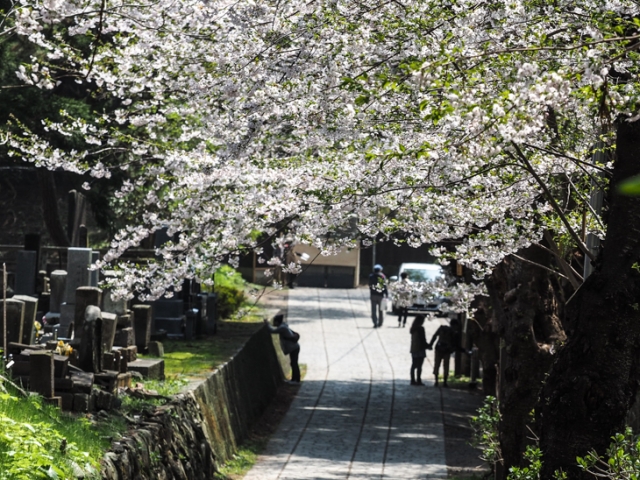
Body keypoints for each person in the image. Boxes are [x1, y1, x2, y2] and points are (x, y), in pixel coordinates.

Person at [264, 313, 301, 383]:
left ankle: (296, 380)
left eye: (274, 321)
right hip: (294, 347)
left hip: (294, 348)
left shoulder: (282, 328)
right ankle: (295, 379)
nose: (273, 323)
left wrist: (266, 324)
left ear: (277, 322)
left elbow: (272, 331)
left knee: (294, 363)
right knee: (293, 363)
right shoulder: (283, 326)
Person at [428, 318, 461, 387]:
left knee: (437, 364)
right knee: (446, 365)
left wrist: (430, 344)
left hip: (438, 348)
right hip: (447, 350)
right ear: (454, 325)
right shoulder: (453, 332)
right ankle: (445, 382)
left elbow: (434, 336)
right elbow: (455, 343)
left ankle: (436, 381)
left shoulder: (442, 328)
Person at [409, 314, 429, 385]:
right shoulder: (421, 328)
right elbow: (423, 339)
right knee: (419, 366)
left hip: (414, 348)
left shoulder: (413, 328)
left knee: (414, 365)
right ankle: (418, 380)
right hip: (420, 348)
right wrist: (427, 346)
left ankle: (412, 380)